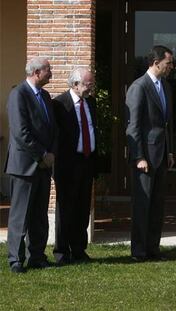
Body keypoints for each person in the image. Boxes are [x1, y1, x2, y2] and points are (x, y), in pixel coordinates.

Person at [4, 57, 57, 273]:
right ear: (36, 72)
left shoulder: (44, 96)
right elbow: (20, 132)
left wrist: (50, 153)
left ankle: (37, 255)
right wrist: (42, 154)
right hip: (24, 165)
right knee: (20, 214)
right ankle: (16, 260)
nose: (51, 73)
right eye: (48, 70)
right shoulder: (19, 94)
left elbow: (52, 128)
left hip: (43, 166)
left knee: (39, 215)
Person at [126, 45, 175, 262]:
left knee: (157, 205)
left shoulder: (165, 86)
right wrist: (138, 156)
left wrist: (171, 151)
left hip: (162, 155)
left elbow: (167, 124)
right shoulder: (139, 87)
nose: (171, 67)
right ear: (156, 63)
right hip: (145, 158)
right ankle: (139, 251)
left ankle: (153, 248)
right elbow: (133, 126)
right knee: (142, 205)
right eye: (168, 63)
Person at [53, 68, 98, 265]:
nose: (90, 88)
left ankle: (79, 249)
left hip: (87, 161)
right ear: (75, 84)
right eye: (87, 85)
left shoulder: (91, 102)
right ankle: (62, 252)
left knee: (82, 208)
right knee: (65, 209)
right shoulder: (59, 104)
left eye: (91, 84)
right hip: (67, 164)